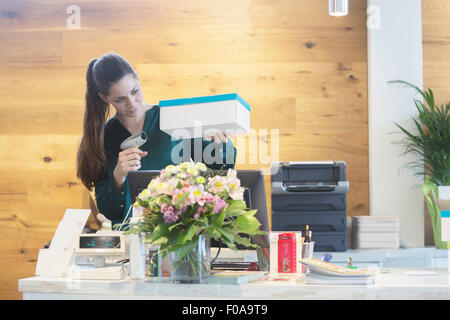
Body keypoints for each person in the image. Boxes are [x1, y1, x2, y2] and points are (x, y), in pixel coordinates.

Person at [76, 52, 236, 228]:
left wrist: (219, 143)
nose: (131, 104)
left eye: (135, 91)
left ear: (138, 80)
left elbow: (219, 171)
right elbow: (109, 212)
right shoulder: (103, 137)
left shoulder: (172, 118)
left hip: (177, 230)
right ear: (104, 98)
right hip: (131, 240)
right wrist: (118, 176)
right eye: (120, 100)